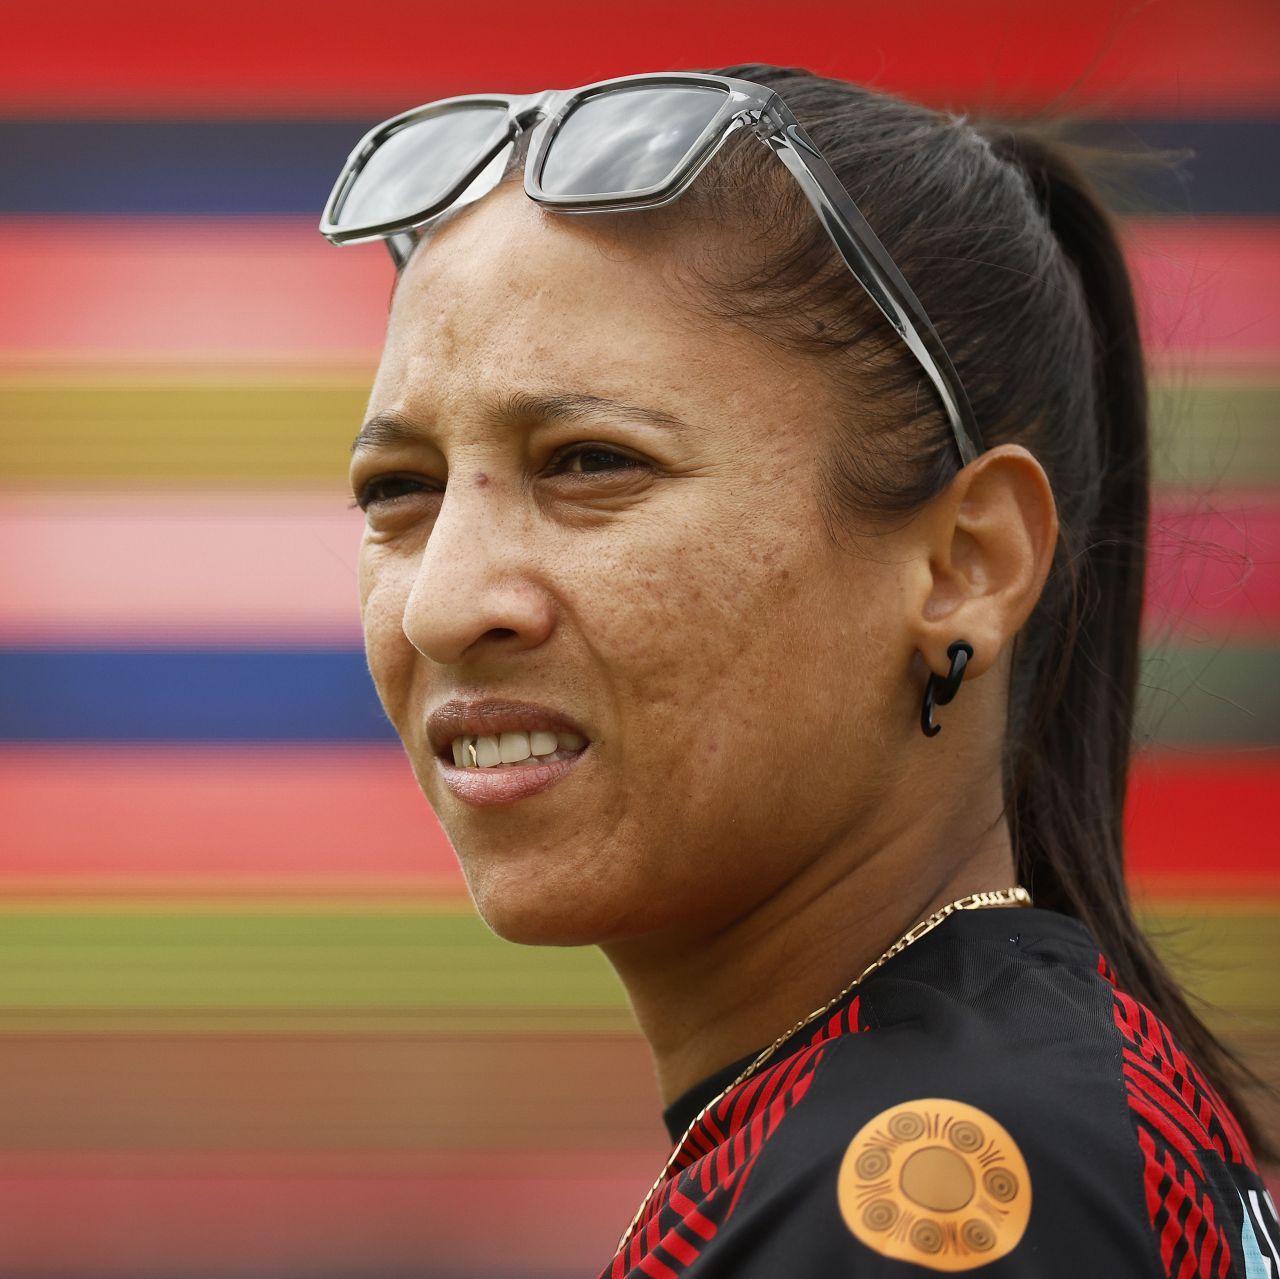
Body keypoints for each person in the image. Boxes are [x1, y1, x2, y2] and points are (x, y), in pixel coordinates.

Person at [320, 64, 1278, 1276]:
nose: (448, 604)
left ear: (964, 564)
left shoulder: (941, 1183)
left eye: (591, 463)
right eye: (397, 490)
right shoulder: (960, 1117)